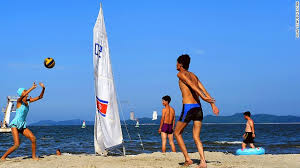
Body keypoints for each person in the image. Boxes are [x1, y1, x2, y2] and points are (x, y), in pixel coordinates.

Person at [174, 54, 219, 168]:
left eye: (177, 63)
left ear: (180, 64)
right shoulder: (194, 75)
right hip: (198, 108)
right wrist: (212, 104)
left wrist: (204, 98)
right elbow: (203, 89)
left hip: (188, 108)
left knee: (177, 133)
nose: (176, 65)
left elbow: (192, 85)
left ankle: (188, 159)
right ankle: (203, 161)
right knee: (196, 137)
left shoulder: (180, 74)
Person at [1, 82, 45, 161]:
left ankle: (34, 157)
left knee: (33, 138)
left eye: (26, 91)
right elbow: (23, 96)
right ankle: (3, 157)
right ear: (22, 94)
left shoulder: (28, 101)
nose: (26, 92)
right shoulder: (19, 101)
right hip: (15, 124)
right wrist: (32, 88)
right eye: (25, 91)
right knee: (17, 144)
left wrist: (43, 88)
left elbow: (40, 97)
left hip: (22, 125)